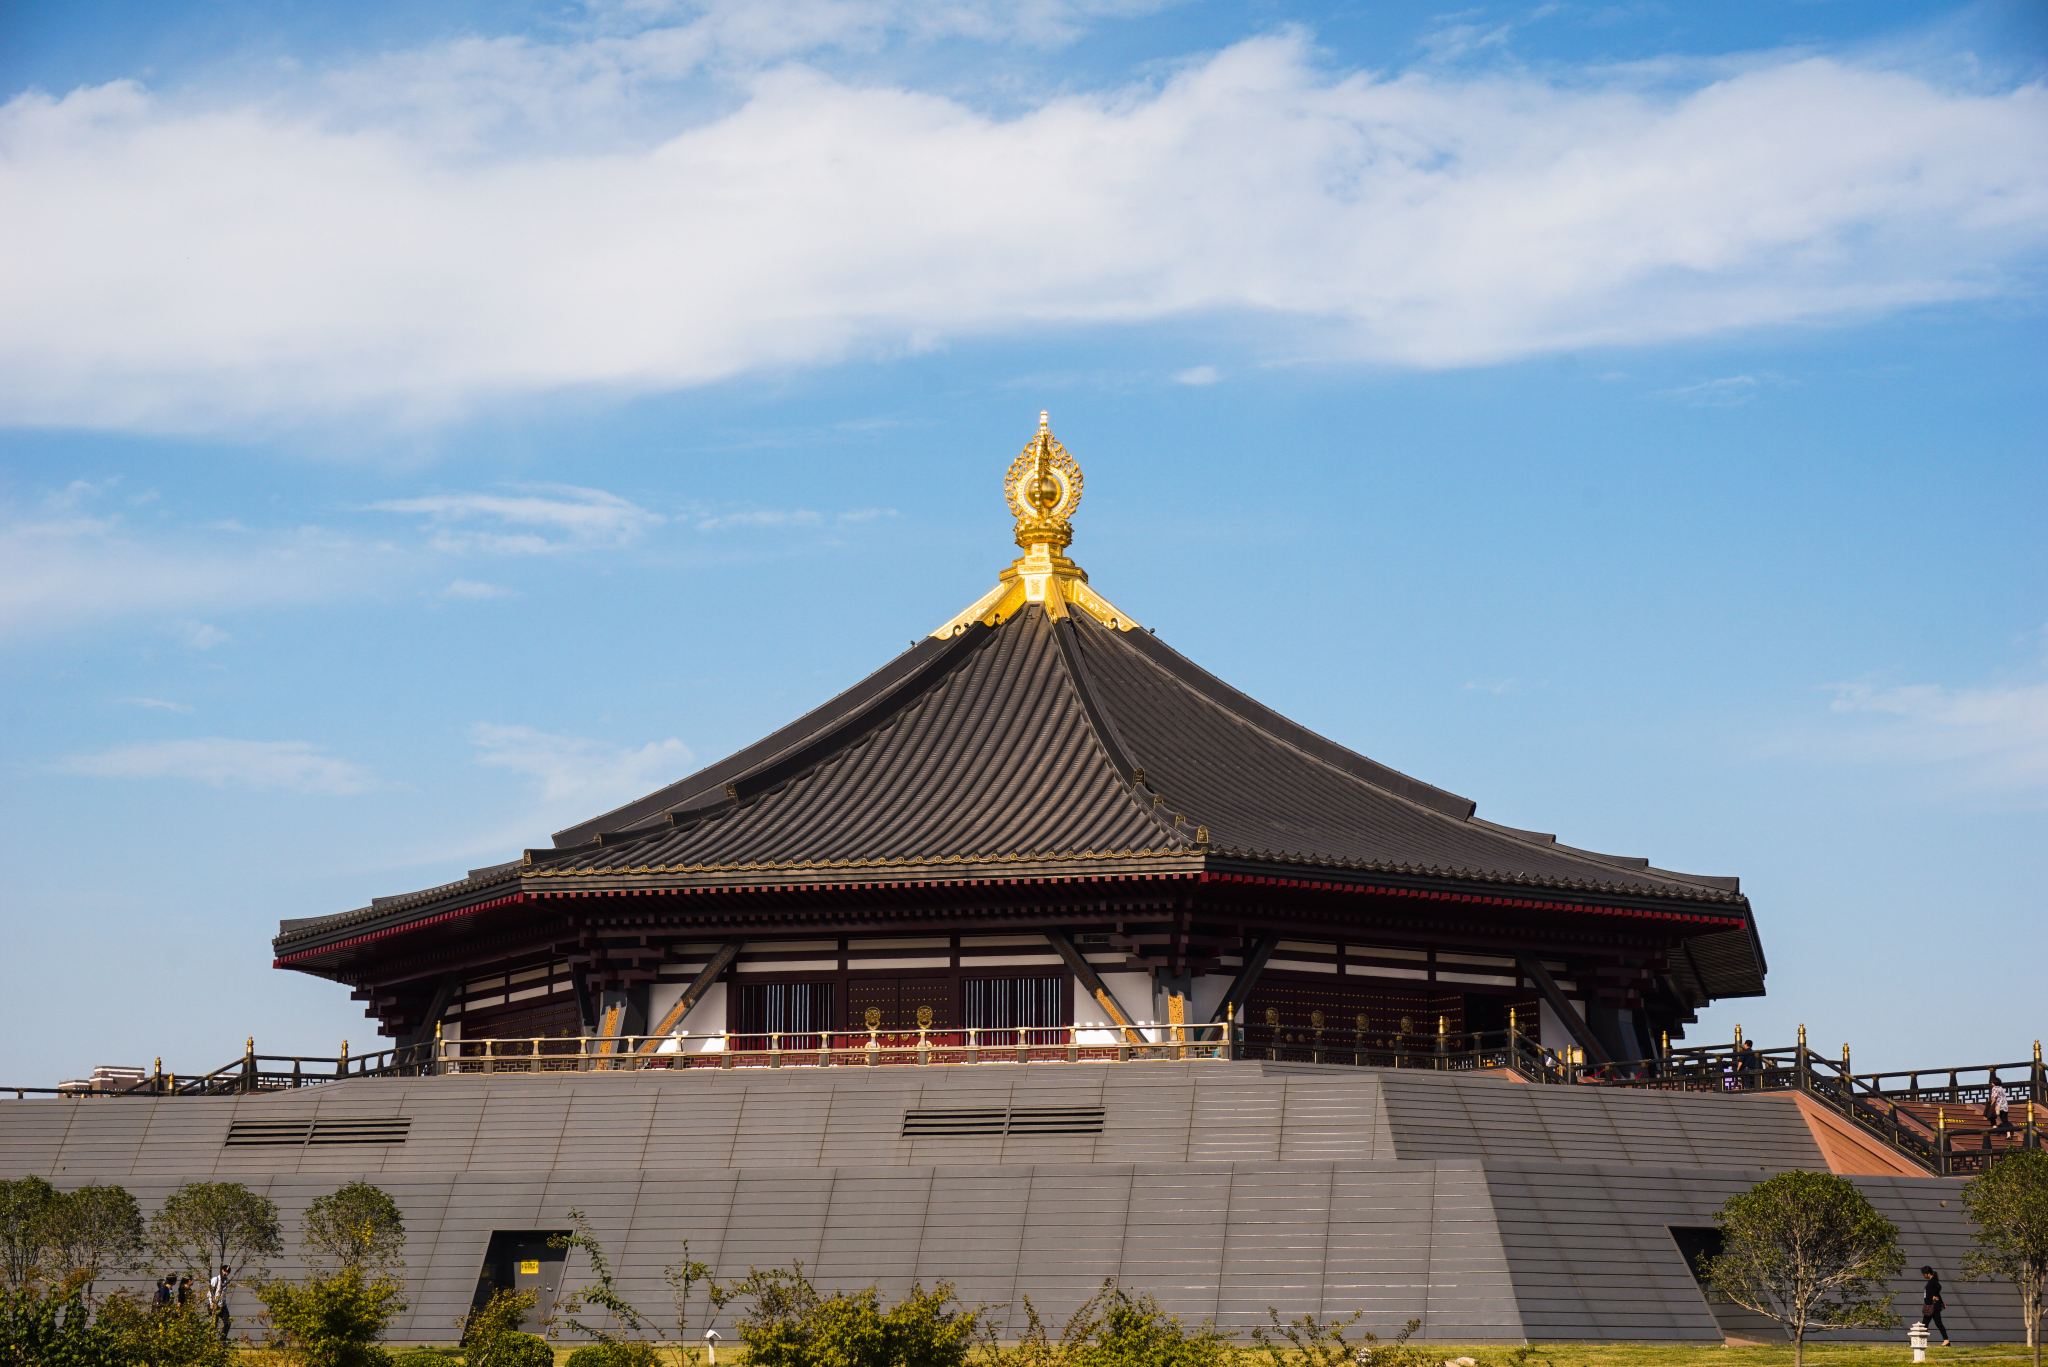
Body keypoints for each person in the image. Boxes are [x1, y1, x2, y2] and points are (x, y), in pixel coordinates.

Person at [1921, 1266, 1950, 1347]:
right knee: (1934, 1323)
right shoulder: (1932, 1280)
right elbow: (1937, 1292)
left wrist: (1934, 1295)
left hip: (1932, 1306)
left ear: (1928, 1273)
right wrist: (1941, 1301)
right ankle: (1946, 1340)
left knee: (1925, 1324)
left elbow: (1938, 1288)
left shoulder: (1933, 1281)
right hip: (1931, 1306)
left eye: (1924, 1274)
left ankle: (1921, 1341)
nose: (1923, 1276)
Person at [208, 1263, 234, 1344]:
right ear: (221, 1270)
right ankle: (210, 1341)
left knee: (228, 1323)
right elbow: (209, 1292)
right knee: (214, 1324)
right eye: (224, 1271)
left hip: (223, 1305)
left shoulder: (226, 1281)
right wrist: (211, 1303)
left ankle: (222, 1340)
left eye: (227, 1272)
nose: (225, 1273)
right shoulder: (215, 1279)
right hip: (214, 1305)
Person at [1987, 1075, 2015, 1146]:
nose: (1991, 1083)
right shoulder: (2001, 1088)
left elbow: (1994, 1098)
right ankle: (2008, 1134)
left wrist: (1991, 1105)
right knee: (2004, 1120)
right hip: (2005, 1106)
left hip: (1998, 1106)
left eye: (1992, 1082)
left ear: (1994, 1083)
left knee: (1991, 1116)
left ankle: (1995, 1129)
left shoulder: (1994, 1088)